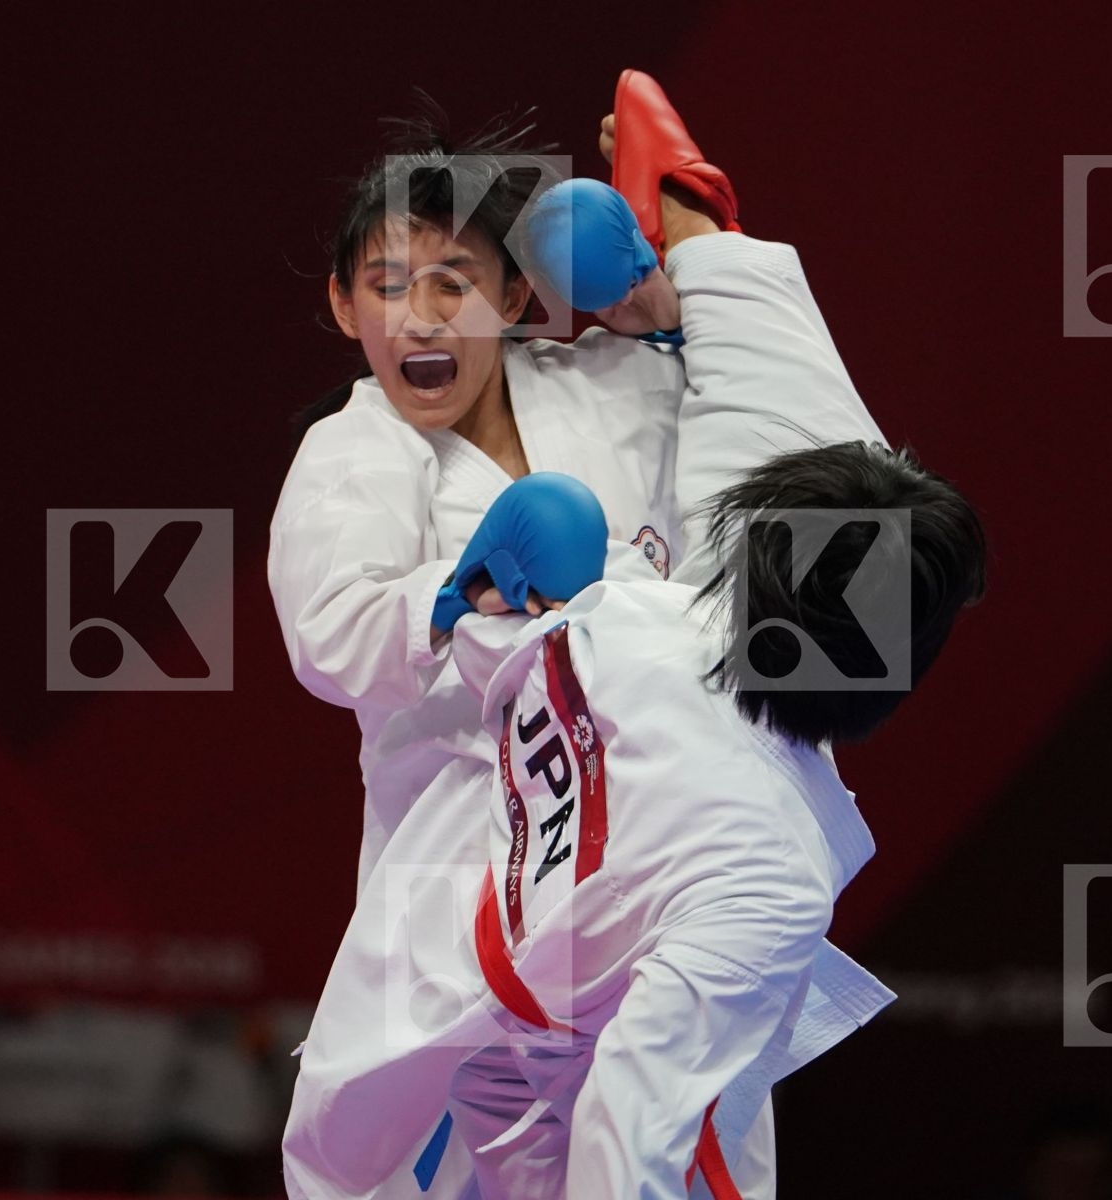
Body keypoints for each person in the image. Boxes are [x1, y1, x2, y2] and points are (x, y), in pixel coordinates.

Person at [272, 74, 884, 1198]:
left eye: (454, 282)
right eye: (387, 286)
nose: (420, 315)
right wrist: (466, 599)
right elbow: (330, 637)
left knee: (670, 1151)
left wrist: (662, 281)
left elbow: (777, 436)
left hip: (657, 856)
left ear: (515, 293)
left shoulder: (619, 389)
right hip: (472, 872)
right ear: (341, 307)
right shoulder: (351, 453)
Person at [438, 442, 987, 1197]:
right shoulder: (772, 880)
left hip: (496, 1051)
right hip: (579, 1111)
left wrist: (468, 600)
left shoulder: (623, 619)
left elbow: (493, 624)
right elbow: (630, 1130)